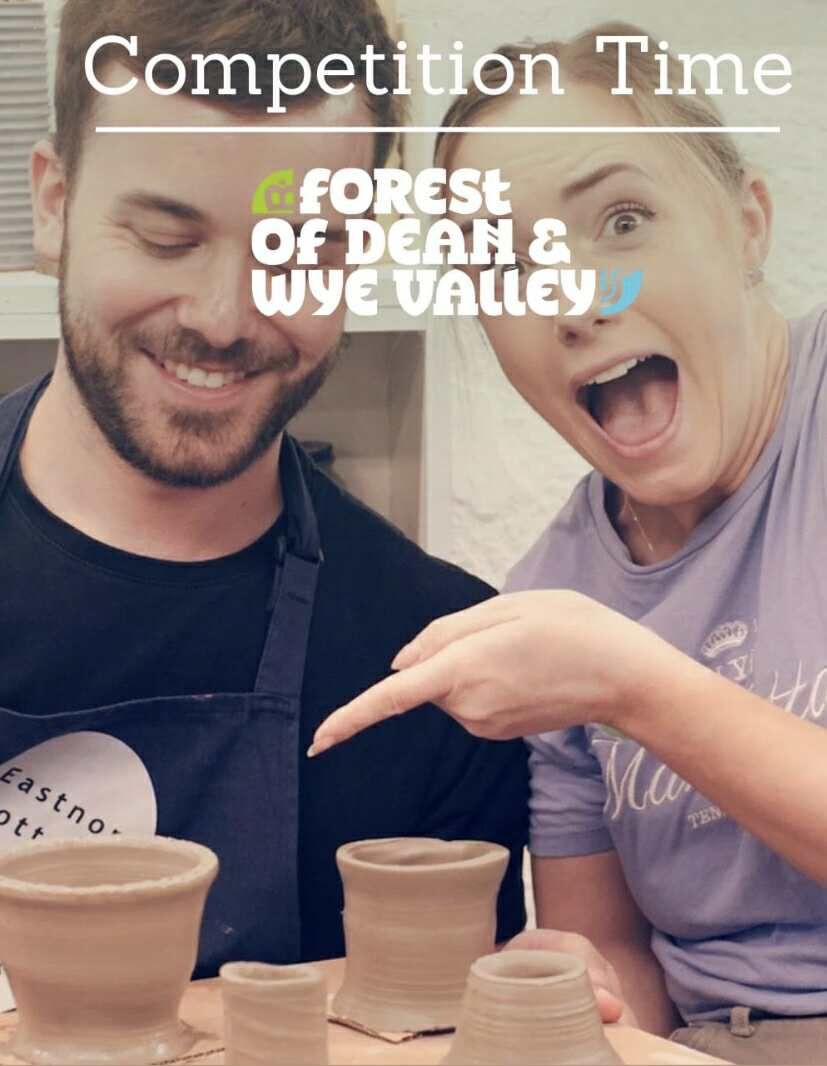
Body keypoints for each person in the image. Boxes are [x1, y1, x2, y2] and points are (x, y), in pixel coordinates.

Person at [309, 20, 827, 1064]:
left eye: (622, 218)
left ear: (745, 222)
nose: (576, 297)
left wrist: (630, 683)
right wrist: (583, 989)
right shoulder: (552, 592)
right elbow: (623, 963)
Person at [0, 0, 528, 976]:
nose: (224, 315)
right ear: (53, 203)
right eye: (165, 238)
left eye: (296, 249)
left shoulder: (430, 673)